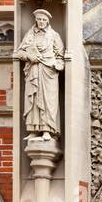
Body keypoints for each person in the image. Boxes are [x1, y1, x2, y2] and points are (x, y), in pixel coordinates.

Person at [16, 9, 65, 139]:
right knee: (33, 99)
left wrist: (58, 64)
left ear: (48, 21)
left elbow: (60, 55)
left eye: (44, 20)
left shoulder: (54, 36)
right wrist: (29, 56)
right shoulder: (30, 35)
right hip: (33, 70)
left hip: (49, 71)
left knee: (49, 101)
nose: (41, 22)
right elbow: (19, 53)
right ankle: (33, 129)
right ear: (36, 20)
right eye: (39, 19)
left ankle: (47, 130)